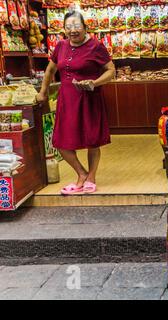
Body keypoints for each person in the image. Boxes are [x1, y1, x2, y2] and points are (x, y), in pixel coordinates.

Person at [36, 10, 115, 195]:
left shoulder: (96, 46)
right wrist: (43, 92)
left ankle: (91, 178)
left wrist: (94, 83)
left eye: (77, 26)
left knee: (92, 141)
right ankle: (82, 173)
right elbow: (49, 71)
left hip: (90, 99)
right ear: (64, 29)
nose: (73, 30)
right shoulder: (61, 46)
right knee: (62, 142)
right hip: (67, 100)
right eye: (69, 27)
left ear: (85, 27)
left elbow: (111, 70)